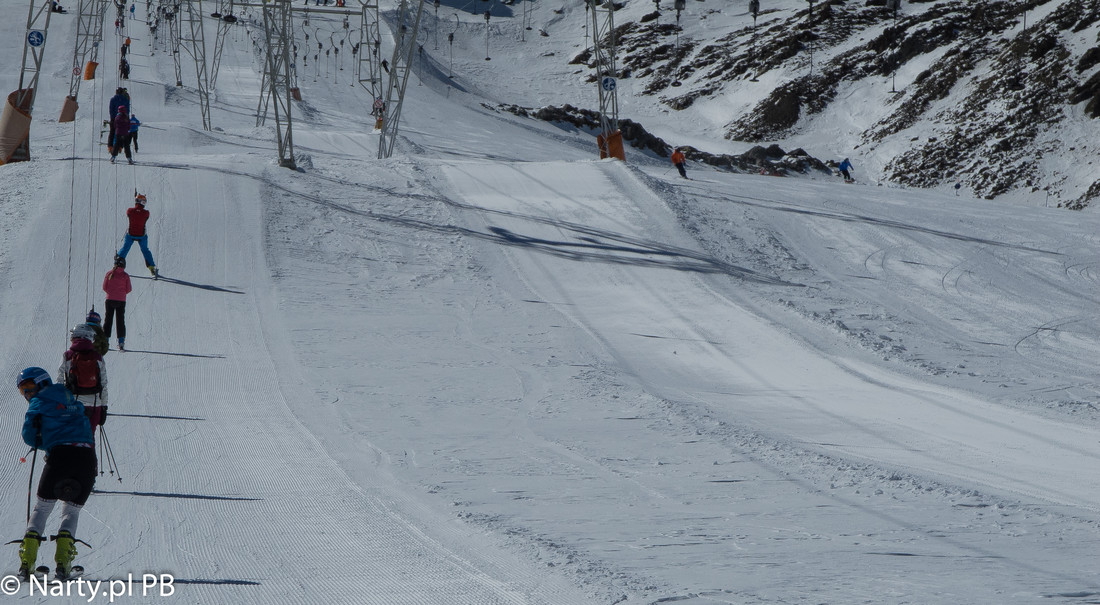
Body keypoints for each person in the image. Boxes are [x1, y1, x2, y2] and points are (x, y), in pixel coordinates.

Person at [14, 367, 96, 581]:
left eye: (30, 387)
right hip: (86, 458)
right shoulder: (71, 400)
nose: (28, 394)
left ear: (42, 383)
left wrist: (46, 442)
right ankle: (63, 562)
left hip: (59, 457)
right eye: (23, 390)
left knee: (42, 508)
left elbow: (29, 435)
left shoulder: (38, 403)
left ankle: (27, 562)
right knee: (71, 510)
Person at [58, 325, 109, 433]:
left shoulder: (67, 356)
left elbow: (60, 381)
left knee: (72, 439)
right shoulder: (98, 357)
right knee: (89, 440)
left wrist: (61, 403)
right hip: (94, 405)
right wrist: (104, 407)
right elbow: (103, 383)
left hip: (73, 404)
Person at [117, 193, 157, 278]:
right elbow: (145, 216)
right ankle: (151, 267)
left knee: (125, 248)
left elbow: (130, 214)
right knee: (145, 250)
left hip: (131, 234)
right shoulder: (146, 213)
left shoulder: (130, 211)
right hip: (141, 236)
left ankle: (117, 263)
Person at [103, 255, 132, 351]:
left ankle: (106, 340)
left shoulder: (109, 273)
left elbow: (104, 287)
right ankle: (121, 342)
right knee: (120, 321)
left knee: (108, 320)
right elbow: (129, 289)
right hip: (121, 300)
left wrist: (111, 293)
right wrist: (121, 294)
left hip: (110, 300)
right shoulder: (125, 276)